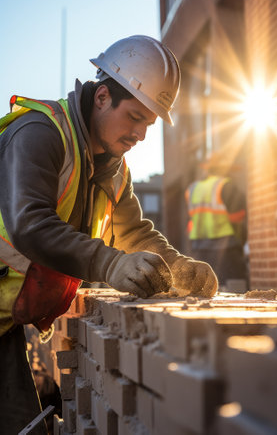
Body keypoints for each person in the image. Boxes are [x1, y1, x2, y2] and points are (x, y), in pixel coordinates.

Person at [0, 35, 218, 434]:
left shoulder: (113, 168)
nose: (141, 135)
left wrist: (178, 267)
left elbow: (133, 233)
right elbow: (29, 222)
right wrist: (109, 263)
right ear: (102, 97)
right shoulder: (40, 133)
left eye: (149, 124)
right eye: (135, 117)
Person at [185, 157, 248, 290]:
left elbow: (191, 218)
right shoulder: (225, 185)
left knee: (205, 289)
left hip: (199, 248)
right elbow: (237, 216)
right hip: (225, 247)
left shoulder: (193, 188)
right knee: (234, 288)